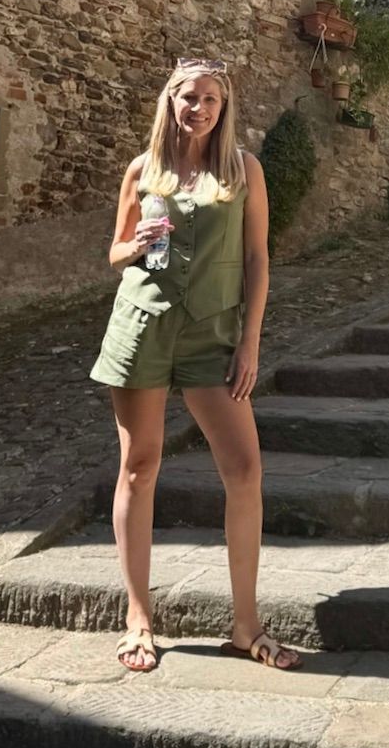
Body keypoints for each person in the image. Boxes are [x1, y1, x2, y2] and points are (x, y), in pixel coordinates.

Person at [90, 58, 301, 675]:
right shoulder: (143, 169)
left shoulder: (243, 171)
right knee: (140, 466)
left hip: (214, 336)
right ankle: (138, 619)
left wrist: (251, 343)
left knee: (243, 468)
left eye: (211, 99)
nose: (199, 108)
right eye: (189, 97)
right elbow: (115, 249)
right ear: (170, 101)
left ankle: (245, 627)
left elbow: (259, 258)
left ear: (224, 106)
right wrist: (137, 244)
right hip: (142, 328)